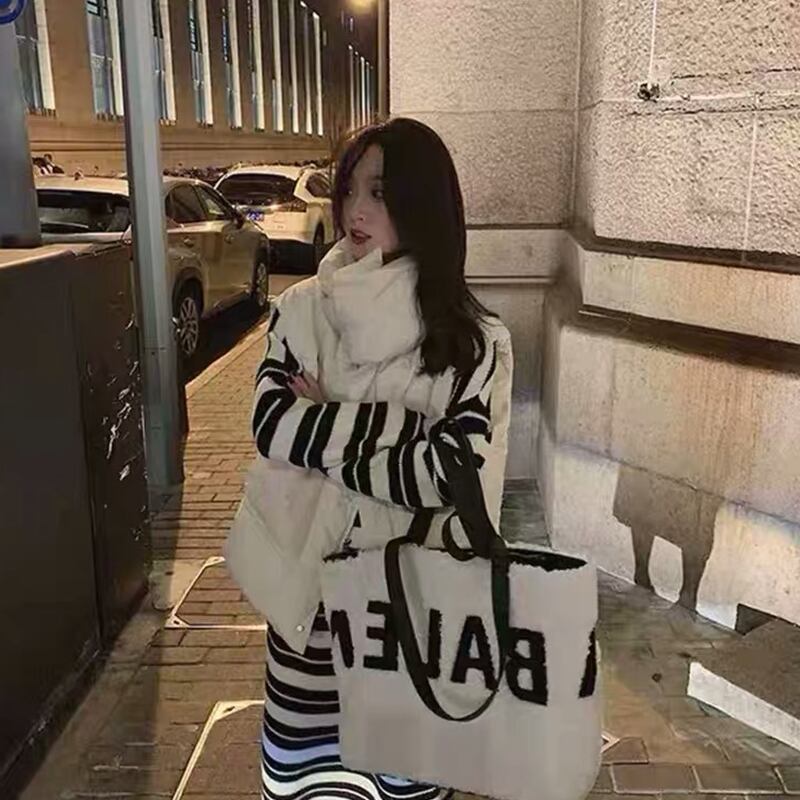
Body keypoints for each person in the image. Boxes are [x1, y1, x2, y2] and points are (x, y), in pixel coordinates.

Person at [225, 117, 513, 800]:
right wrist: (406, 428)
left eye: (379, 192)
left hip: (414, 614)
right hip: (308, 603)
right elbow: (273, 427)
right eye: (349, 187)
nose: (355, 209)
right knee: (306, 780)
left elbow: (452, 476)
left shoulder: (476, 342)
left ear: (424, 205)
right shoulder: (300, 310)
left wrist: (326, 424)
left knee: (406, 780)